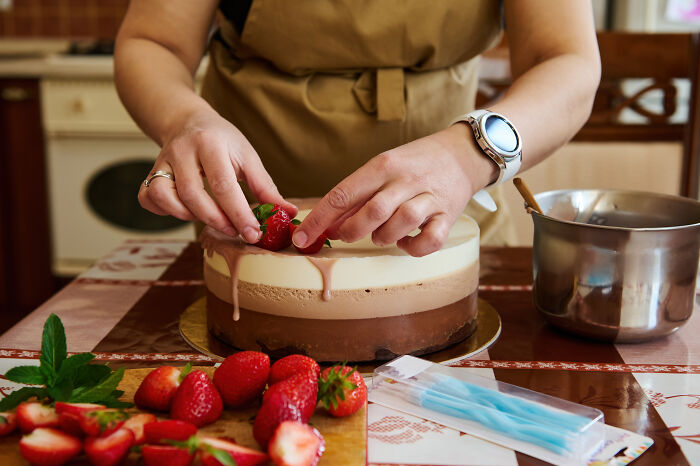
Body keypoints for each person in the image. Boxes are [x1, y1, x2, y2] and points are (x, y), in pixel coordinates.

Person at [115, 0, 600, 256]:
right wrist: (185, 119)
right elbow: (153, 42)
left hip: (442, 233)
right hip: (250, 241)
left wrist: (466, 156)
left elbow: (566, 60)